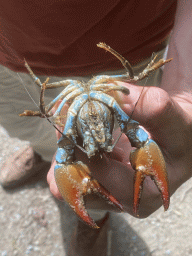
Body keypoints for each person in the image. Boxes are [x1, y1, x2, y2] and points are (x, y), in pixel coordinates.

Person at [1, 0, 192, 255]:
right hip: (8, 58)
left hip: (132, 49)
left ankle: (95, 219)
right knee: (37, 130)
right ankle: (43, 152)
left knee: (94, 153)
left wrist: (184, 90)